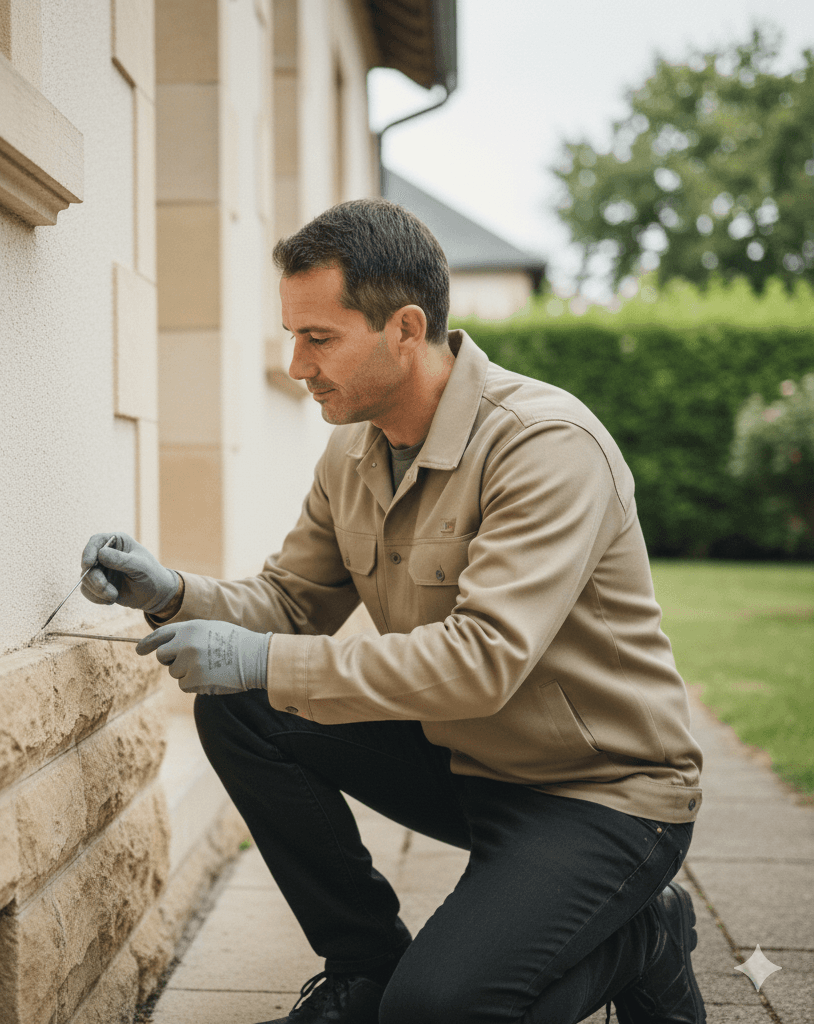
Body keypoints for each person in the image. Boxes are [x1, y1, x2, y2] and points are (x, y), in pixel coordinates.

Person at [80, 198, 706, 1024]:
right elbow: (290, 604)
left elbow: (481, 661)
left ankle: (648, 933)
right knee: (241, 707)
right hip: (468, 766)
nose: (297, 366)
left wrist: (259, 657)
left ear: (406, 329)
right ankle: (365, 966)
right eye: (292, 337)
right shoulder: (354, 450)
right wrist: (170, 592)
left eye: (318, 338)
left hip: (602, 793)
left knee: (439, 1011)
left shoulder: (546, 446)